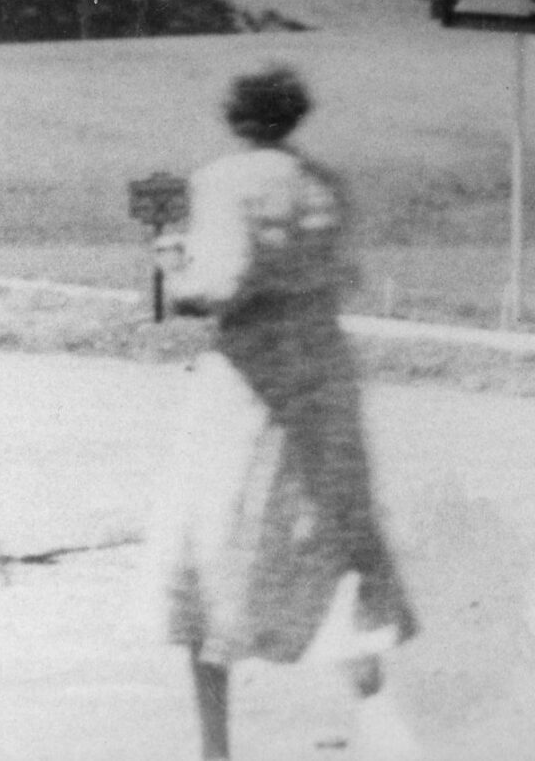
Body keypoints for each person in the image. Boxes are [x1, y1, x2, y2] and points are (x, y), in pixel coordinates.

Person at [155, 65, 420, 760]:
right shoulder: (323, 184)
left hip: (251, 388)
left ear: (236, 118)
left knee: (216, 556)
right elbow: (348, 273)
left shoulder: (222, 181)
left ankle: (216, 750)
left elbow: (221, 281)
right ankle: (384, 730)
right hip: (325, 379)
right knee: (339, 548)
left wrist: (172, 270)